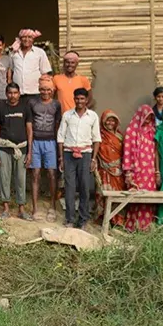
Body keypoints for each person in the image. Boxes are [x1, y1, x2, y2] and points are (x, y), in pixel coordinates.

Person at [57, 88, 100, 229]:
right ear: (74, 99)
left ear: (86, 100)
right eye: (77, 98)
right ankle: (69, 219)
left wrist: (93, 159)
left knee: (84, 187)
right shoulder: (67, 115)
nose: (80, 101)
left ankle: (83, 219)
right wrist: (61, 158)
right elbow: (61, 138)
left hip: (86, 154)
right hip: (69, 154)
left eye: (82, 98)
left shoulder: (92, 116)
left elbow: (97, 139)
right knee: (69, 187)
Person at [0, 82, 31, 220]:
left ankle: (21, 208)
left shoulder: (25, 107)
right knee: (4, 177)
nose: (12, 95)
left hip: (21, 148)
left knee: (21, 178)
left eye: (15, 93)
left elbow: (29, 130)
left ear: (19, 94)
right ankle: (6, 208)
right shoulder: (0, 107)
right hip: (4, 147)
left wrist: (30, 152)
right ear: (6, 94)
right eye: (10, 93)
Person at [121, 104, 160, 231]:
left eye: (150, 117)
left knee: (149, 198)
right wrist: (128, 172)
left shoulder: (152, 132)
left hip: (149, 171)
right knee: (136, 198)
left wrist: (156, 171)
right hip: (136, 172)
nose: (148, 120)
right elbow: (126, 153)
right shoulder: (131, 132)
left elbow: (155, 152)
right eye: (146, 117)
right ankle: (133, 226)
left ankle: (147, 226)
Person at [27, 78, 62, 222]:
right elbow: (29, 126)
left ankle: (52, 207)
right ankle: (35, 209)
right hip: (36, 142)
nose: (45, 92)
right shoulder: (32, 103)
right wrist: (29, 149)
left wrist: (58, 148)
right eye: (43, 89)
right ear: (39, 89)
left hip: (51, 142)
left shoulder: (56, 104)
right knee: (35, 174)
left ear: (52, 90)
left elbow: (58, 126)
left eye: (48, 89)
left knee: (52, 174)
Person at [95, 109, 125, 228]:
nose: (110, 123)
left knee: (117, 195)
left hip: (118, 172)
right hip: (104, 171)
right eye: (108, 120)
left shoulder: (120, 136)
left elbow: (124, 154)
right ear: (103, 121)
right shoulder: (99, 136)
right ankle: (103, 219)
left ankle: (117, 220)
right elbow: (97, 154)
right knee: (105, 195)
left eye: (113, 121)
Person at [11, 29, 52, 99]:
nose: (27, 39)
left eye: (29, 37)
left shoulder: (40, 52)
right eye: (24, 37)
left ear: (33, 39)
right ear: (20, 38)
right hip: (18, 94)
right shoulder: (13, 53)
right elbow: (11, 71)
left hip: (35, 93)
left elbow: (45, 73)